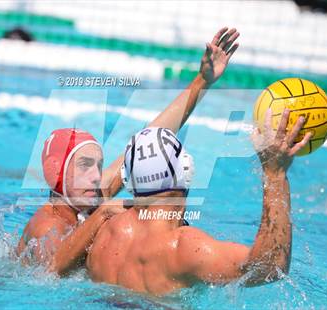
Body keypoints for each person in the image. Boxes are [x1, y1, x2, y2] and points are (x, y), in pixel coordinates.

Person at [16, 27, 240, 275]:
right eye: (84, 165)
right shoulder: (47, 225)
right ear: (55, 172)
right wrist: (102, 214)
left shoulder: (84, 197)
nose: (94, 176)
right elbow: (51, 270)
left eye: (98, 166)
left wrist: (202, 81)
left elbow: (149, 139)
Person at [86, 109, 313, 296]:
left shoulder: (102, 230)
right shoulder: (183, 247)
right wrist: (275, 173)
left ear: (129, 181)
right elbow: (270, 267)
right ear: (187, 169)